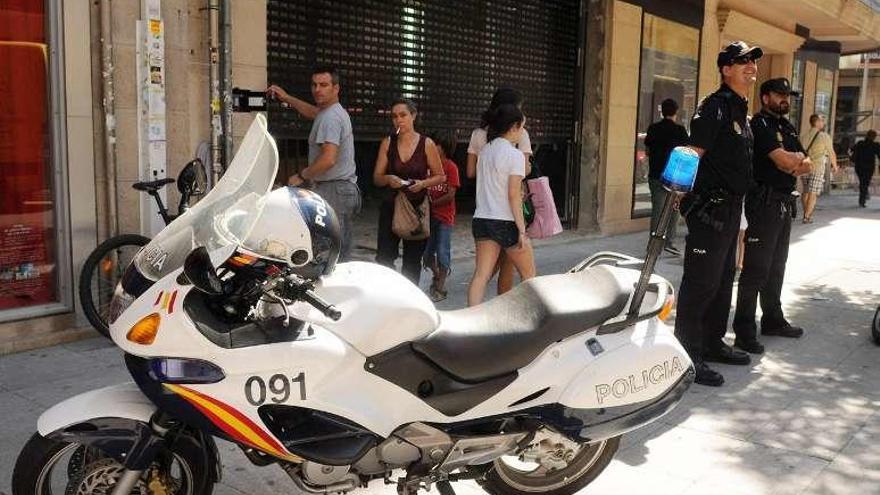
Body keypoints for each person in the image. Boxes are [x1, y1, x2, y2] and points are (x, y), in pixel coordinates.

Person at [674, 41, 762, 387]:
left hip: (731, 209)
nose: (750, 66)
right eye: (742, 61)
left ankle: (712, 344)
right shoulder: (715, 108)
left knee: (724, 280)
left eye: (753, 61)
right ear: (725, 68)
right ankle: (687, 357)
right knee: (700, 285)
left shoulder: (740, 110)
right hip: (710, 210)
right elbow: (690, 152)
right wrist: (680, 201)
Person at [733, 78, 813, 355]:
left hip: (783, 204)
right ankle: (743, 331)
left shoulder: (786, 127)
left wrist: (794, 163)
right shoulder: (760, 125)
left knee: (777, 267)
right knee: (755, 269)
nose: (785, 100)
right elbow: (784, 160)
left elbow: (808, 163)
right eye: (780, 95)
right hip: (763, 203)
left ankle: (773, 320)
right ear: (765, 97)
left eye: (787, 95)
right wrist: (793, 163)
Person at [267, 67, 361, 261]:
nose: (318, 89)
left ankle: (335, 291)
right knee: (337, 250)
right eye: (314, 85)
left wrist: (302, 176)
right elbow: (312, 112)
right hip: (340, 190)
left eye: (324, 85)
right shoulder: (329, 112)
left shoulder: (331, 118)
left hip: (334, 190)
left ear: (336, 88)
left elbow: (328, 159)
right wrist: (287, 98)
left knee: (329, 255)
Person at [467, 104, 535, 306]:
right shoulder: (514, 155)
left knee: (481, 276)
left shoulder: (485, 151)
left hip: (481, 219)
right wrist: (522, 230)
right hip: (505, 221)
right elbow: (514, 194)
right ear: (514, 126)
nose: (522, 132)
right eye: (522, 127)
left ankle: (472, 321)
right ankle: (530, 319)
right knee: (530, 276)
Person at [372, 98, 445, 285]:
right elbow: (377, 178)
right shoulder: (388, 142)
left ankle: (409, 302)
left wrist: (423, 183)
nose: (399, 120)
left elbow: (440, 176)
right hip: (392, 205)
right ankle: (388, 296)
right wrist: (389, 178)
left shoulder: (426, 143)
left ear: (413, 116)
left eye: (403, 115)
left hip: (416, 207)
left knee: (412, 262)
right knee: (384, 257)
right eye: (394, 116)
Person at [645, 98, 689, 256]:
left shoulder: (653, 129)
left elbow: (648, 149)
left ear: (661, 111)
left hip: (656, 174)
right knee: (674, 209)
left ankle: (653, 243)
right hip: (675, 177)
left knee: (657, 210)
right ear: (676, 112)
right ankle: (669, 241)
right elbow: (686, 154)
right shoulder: (680, 131)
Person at [423, 130, 461, 302]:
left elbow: (450, 195)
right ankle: (437, 276)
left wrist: (432, 204)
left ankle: (439, 287)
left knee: (443, 252)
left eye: (435, 144)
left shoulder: (450, 167)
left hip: (444, 217)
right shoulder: (427, 165)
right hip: (428, 218)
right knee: (427, 254)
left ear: (444, 148)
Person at [799, 114, 839, 223]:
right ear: (816, 122)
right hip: (817, 167)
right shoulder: (824, 136)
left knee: (806, 191)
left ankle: (805, 213)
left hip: (805, 166)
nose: (823, 123)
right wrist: (835, 166)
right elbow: (831, 153)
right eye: (822, 120)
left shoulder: (803, 136)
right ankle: (807, 217)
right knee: (813, 192)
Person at [850, 130, 880, 207]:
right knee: (865, 183)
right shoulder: (875, 145)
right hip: (869, 168)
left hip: (859, 167)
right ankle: (862, 200)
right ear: (874, 137)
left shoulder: (860, 143)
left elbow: (851, 149)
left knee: (862, 182)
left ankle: (863, 197)